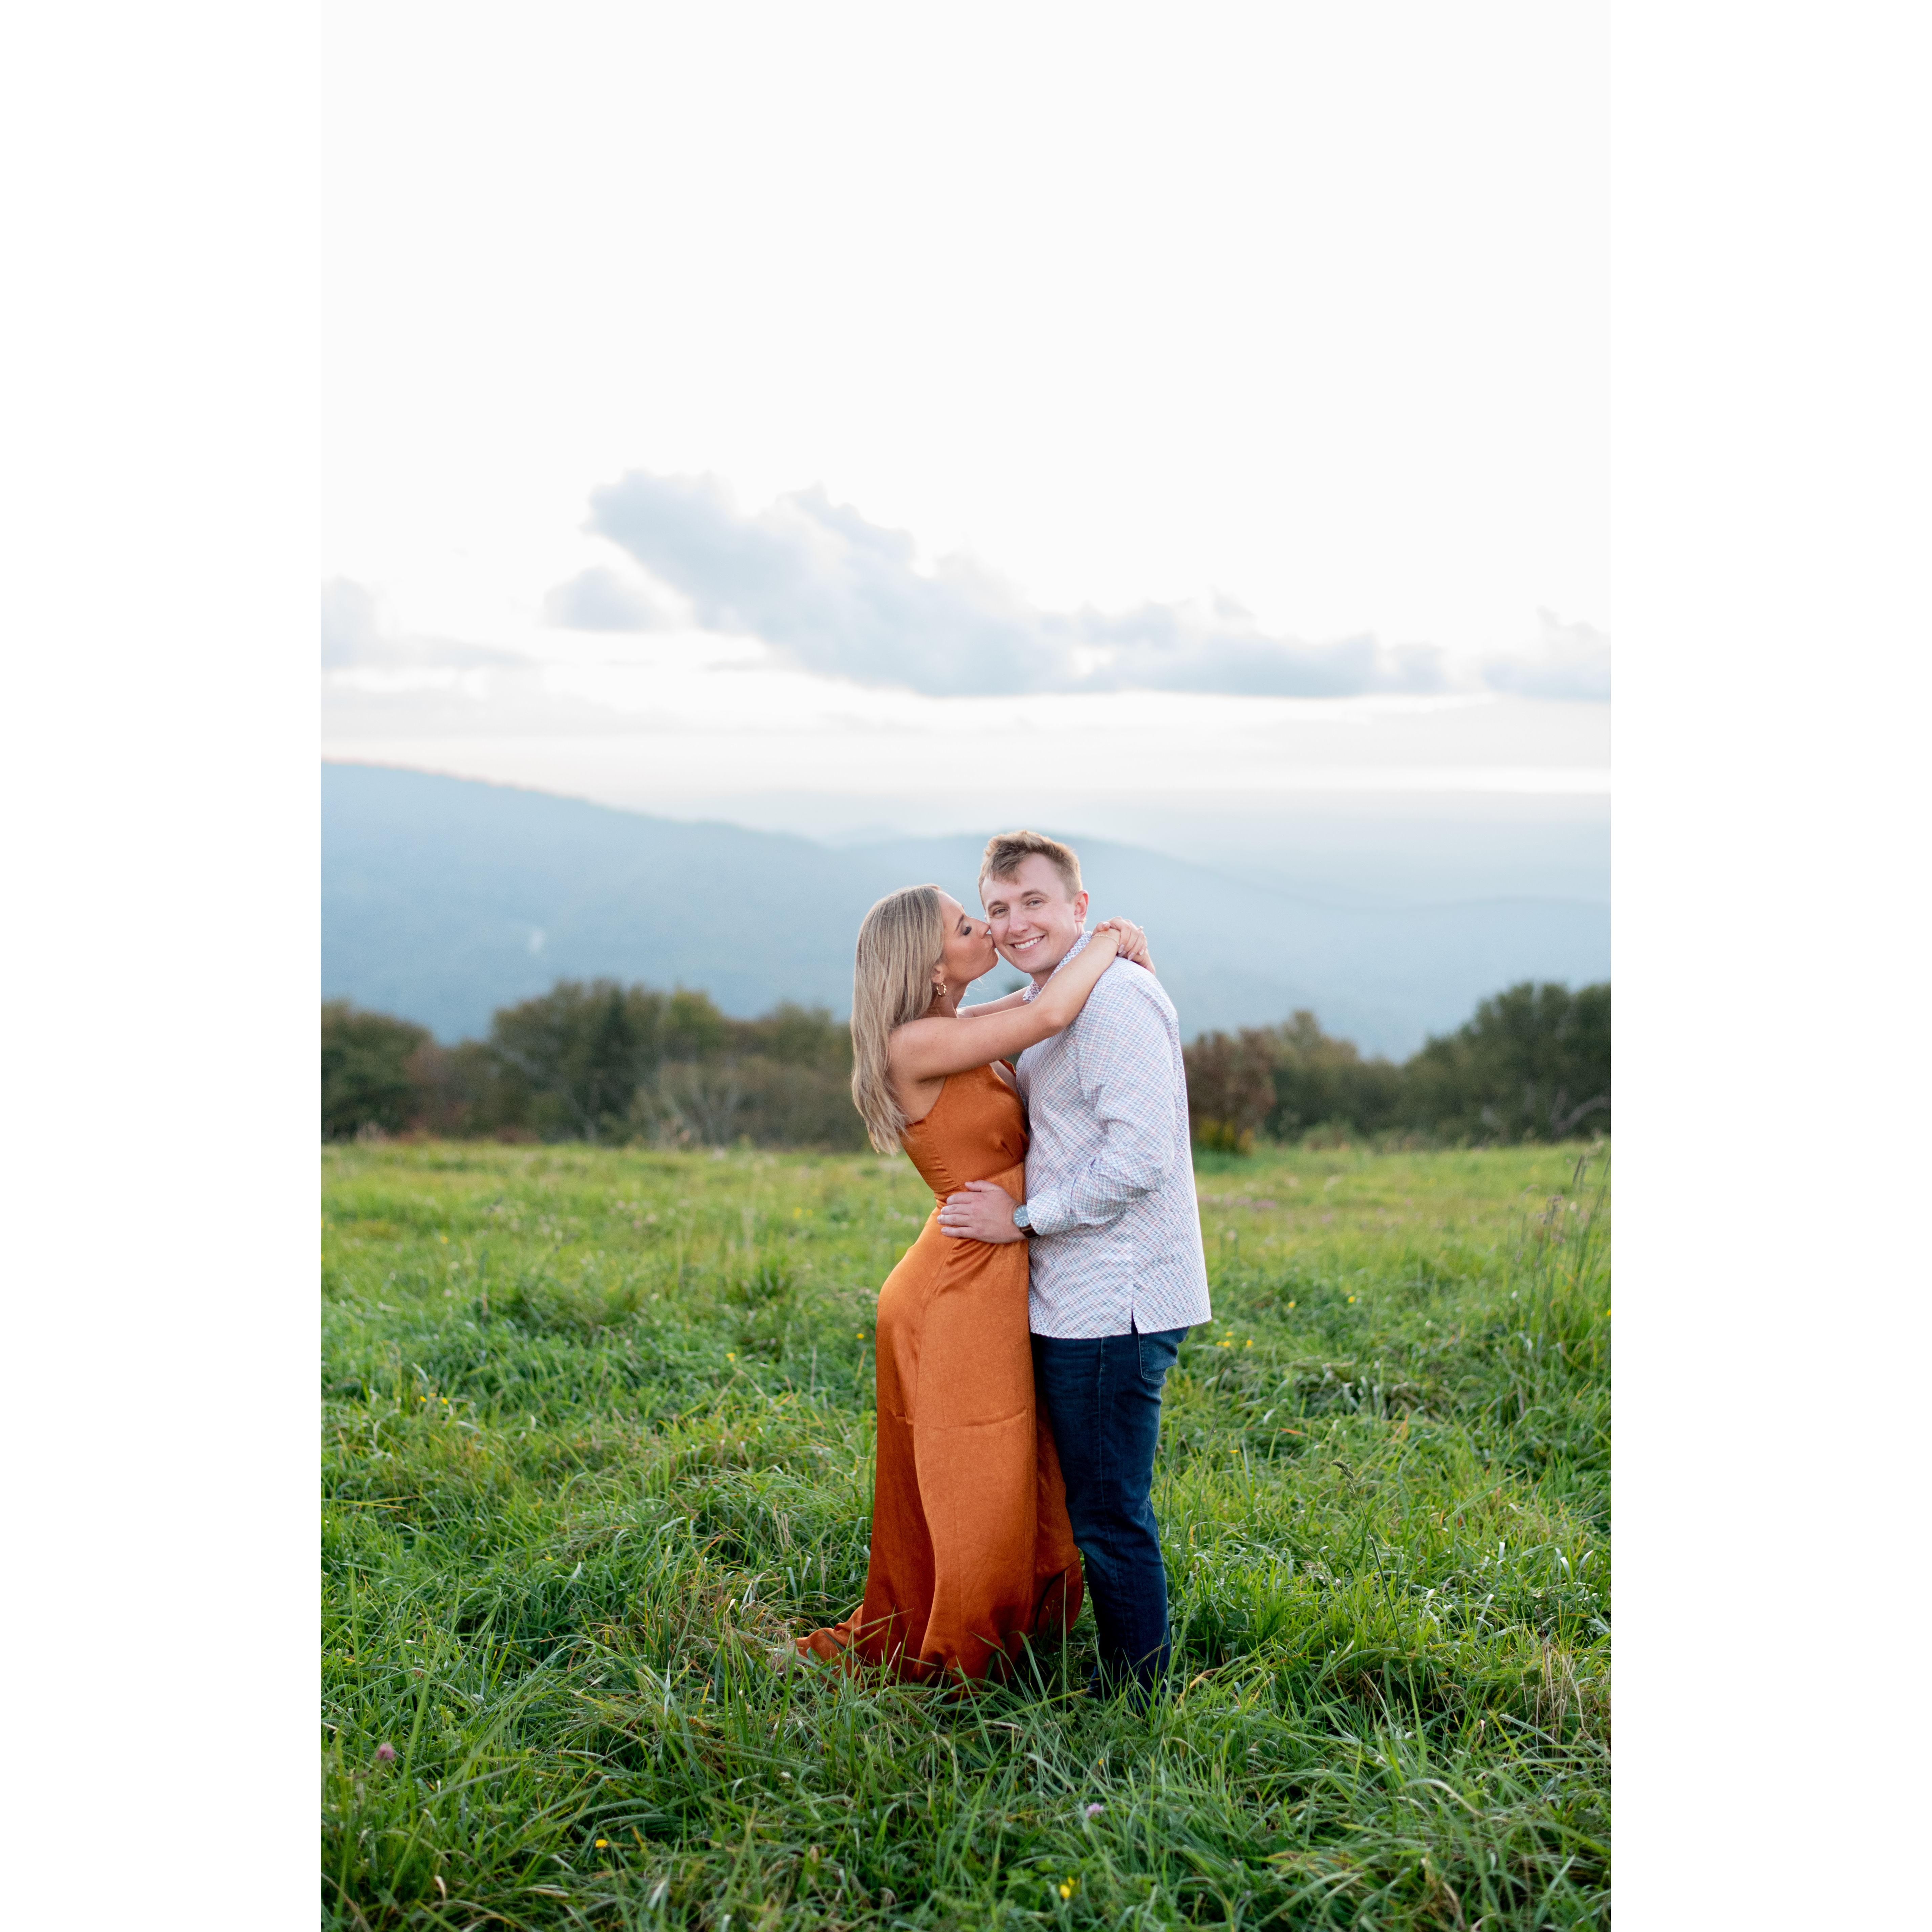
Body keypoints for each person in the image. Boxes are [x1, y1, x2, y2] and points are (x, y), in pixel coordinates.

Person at [795, 883, 1154, 1683]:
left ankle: (1017, 1625)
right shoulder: (912, 1045)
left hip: (994, 1270)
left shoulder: (954, 1027)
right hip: (953, 1288)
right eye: (968, 924)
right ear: (930, 964)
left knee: (1019, 1458)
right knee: (975, 1475)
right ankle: (964, 1647)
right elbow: (1043, 1016)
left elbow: (1037, 1003)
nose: (987, 928)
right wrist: (1110, 937)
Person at [937, 831, 1211, 1699]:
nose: (1015, 924)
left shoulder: (1115, 1002)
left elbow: (1142, 1160)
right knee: (1090, 1504)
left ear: (1079, 909)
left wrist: (1022, 1220)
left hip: (1114, 1305)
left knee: (1108, 1515)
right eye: (998, 908)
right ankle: (1116, 1667)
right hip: (1078, 1298)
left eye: (1034, 903)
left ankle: (1139, 1698)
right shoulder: (1051, 994)